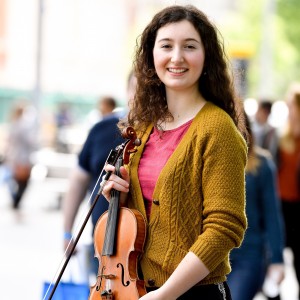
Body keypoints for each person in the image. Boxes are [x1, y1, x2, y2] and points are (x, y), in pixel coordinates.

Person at [101, 5, 248, 299]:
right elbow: (152, 221)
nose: (176, 57)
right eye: (166, 45)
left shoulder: (218, 129)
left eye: (189, 46)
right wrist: (120, 196)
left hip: (194, 292)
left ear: (206, 57)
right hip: (137, 287)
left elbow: (224, 228)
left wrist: (166, 293)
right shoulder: (143, 127)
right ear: (151, 56)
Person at [63, 74, 136, 277]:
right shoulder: (101, 128)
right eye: (136, 88)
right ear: (128, 91)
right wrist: (67, 232)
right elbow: (78, 180)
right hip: (102, 243)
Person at [227, 113, 285, 300]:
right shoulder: (209, 160)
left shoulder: (262, 165)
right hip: (212, 257)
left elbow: (272, 216)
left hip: (248, 256)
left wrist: (277, 260)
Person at [277, 82, 300, 299]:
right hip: (280, 207)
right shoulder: (279, 137)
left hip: (298, 208)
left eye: (291, 105)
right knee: (274, 263)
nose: (289, 109)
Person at [3, 101, 37, 209]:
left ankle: (15, 198)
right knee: (24, 181)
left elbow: (9, 140)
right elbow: (30, 141)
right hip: (22, 157)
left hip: (13, 156)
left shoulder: (13, 124)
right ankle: (16, 199)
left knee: (13, 179)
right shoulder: (24, 125)